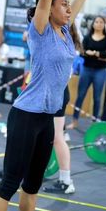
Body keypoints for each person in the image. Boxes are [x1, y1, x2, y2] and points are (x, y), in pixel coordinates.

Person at [0, 0, 94, 211]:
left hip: (47, 119)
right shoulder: (41, 29)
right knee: (10, 183)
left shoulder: (65, 30)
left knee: (33, 185)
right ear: (47, 9)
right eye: (63, 4)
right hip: (25, 116)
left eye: (67, 4)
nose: (68, 7)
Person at [43, 22, 83, 194]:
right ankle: (65, 180)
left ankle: (66, 181)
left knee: (57, 137)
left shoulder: (61, 44)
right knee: (49, 137)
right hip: (54, 92)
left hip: (54, 93)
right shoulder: (66, 43)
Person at [66, 15, 106, 129]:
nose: (99, 24)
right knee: (80, 95)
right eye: (96, 22)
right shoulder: (87, 37)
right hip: (86, 69)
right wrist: (95, 54)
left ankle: (94, 122)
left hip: (100, 71)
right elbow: (83, 52)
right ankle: (75, 121)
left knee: (97, 98)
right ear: (93, 24)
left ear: (104, 25)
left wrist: (96, 54)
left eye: (101, 22)